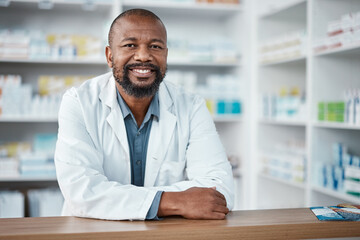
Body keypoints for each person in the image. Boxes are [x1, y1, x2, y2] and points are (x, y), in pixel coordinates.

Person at [54, 8, 234, 221]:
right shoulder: (79, 102)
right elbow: (81, 191)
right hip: (95, 231)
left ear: (166, 55)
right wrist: (173, 201)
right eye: (130, 45)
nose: (143, 56)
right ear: (110, 56)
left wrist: (117, 199)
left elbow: (219, 190)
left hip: (168, 233)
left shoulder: (191, 106)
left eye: (155, 47)